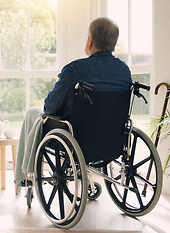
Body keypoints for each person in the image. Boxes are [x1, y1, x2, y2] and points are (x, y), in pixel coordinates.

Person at [14, 17, 133, 189]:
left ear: (90, 40)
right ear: (114, 42)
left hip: (77, 137)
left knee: (34, 112)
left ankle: (24, 174)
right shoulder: (124, 71)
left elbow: (50, 107)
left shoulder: (75, 69)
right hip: (112, 140)